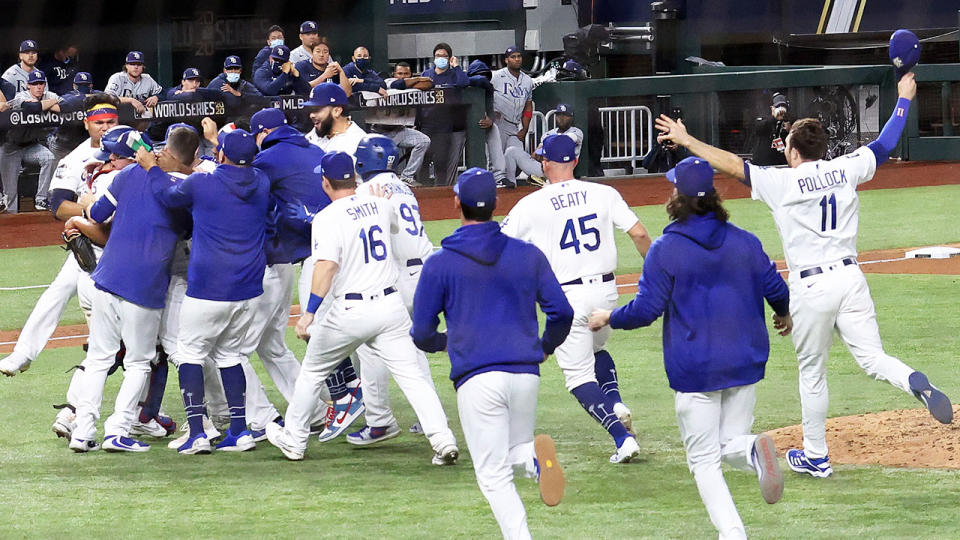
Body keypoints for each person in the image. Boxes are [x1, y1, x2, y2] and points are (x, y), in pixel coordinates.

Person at [655, 71, 953, 479]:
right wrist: (903, 98)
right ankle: (912, 379)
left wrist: (687, 140)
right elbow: (885, 144)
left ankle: (817, 455)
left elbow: (731, 165)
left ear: (793, 152)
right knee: (872, 358)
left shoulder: (782, 181)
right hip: (851, 279)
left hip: (811, 286)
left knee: (813, 373)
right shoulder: (847, 168)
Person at [587, 156, 789, 539]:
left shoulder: (666, 249)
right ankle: (750, 451)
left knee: (704, 461)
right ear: (713, 196)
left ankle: (733, 532)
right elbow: (777, 289)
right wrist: (784, 315)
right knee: (730, 443)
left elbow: (647, 310)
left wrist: (609, 317)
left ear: (677, 196)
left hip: (695, 369)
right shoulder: (745, 241)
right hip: (745, 361)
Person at [265, 151, 459, 464]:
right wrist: (377, 205)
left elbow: (326, 267)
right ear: (354, 178)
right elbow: (394, 228)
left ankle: (295, 440)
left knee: (313, 372)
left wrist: (310, 313)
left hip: (351, 312)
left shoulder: (327, 217)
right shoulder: (381, 204)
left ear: (325, 182)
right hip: (389, 307)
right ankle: (443, 440)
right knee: (413, 376)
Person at [411, 167, 573, 539]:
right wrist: (544, 347)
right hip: (525, 373)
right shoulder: (527, 254)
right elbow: (562, 312)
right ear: (497, 204)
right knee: (515, 449)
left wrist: (446, 342)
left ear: (456, 203)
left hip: (477, 378)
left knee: (493, 475)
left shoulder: (440, 262)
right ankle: (534, 459)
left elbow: (421, 332)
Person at [501, 134, 652, 463]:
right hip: (607, 292)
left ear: (544, 163)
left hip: (567, 296)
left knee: (578, 376)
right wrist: (657, 274)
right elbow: (639, 234)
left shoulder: (531, 203)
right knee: (597, 348)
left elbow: (498, 245)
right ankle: (615, 402)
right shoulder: (604, 193)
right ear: (573, 161)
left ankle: (621, 438)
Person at [150, 129, 270, 455]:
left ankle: (197, 435)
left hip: (208, 288)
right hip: (248, 289)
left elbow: (167, 195)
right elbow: (235, 172)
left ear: (221, 155)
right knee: (231, 356)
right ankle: (240, 432)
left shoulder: (204, 184)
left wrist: (150, 167)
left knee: (190, 354)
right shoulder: (261, 181)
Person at [64, 127, 183, 453]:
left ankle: (83, 432)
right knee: (139, 363)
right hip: (144, 286)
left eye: (114, 156)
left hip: (107, 278)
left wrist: (87, 197)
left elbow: (98, 214)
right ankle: (117, 430)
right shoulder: (177, 188)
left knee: (100, 360)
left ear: (133, 156)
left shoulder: (125, 177)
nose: (110, 161)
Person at [249, 107, 361, 438]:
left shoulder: (268, 159)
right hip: (347, 250)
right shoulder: (313, 148)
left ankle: (344, 395)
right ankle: (351, 405)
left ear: (263, 133)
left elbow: (244, 191)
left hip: (319, 254)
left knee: (320, 332)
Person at [0, 96, 120, 378]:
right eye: (99, 123)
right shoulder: (75, 158)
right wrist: (94, 211)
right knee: (59, 291)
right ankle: (24, 352)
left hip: (130, 243)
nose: (105, 128)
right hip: (94, 240)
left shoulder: (133, 146)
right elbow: (59, 207)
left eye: (111, 122)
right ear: (86, 123)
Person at [346, 134, 436, 444]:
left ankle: (379, 421)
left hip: (397, 276)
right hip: (424, 272)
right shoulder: (403, 187)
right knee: (413, 348)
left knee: (371, 345)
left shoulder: (367, 191)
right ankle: (429, 417)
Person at [0, 69, 61, 212]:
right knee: (11, 196)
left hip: (31, 147)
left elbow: (65, 105)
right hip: (11, 148)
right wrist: (49, 104)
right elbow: (31, 107)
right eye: (35, 84)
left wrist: (50, 101)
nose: (39, 87)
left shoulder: (49, 95)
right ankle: (12, 226)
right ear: (28, 85)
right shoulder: (21, 96)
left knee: (49, 158)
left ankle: (41, 199)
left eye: (41, 83)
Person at [371, 61, 432, 186]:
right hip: (380, 133)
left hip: (400, 130)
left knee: (423, 141)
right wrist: (418, 79)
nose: (403, 76)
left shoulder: (411, 86)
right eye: (399, 73)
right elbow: (398, 84)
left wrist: (414, 82)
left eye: (406, 74)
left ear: (410, 75)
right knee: (381, 169)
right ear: (394, 74)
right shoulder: (387, 83)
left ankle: (407, 176)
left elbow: (430, 84)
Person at [418, 42, 469, 186]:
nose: (441, 58)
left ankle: (440, 191)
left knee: (441, 161)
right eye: (438, 55)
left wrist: (456, 66)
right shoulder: (427, 74)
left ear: (450, 58)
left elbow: (464, 83)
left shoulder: (454, 75)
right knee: (424, 160)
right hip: (426, 125)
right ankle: (424, 189)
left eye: (444, 56)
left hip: (444, 126)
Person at [503, 103, 584, 188]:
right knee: (511, 151)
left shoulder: (577, 132)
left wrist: (546, 147)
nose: (562, 118)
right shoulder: (548, 133)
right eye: (559, 115)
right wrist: (540, 153)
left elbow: (564, 141)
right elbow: (536, 154)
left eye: (565, 115)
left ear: (571, 118)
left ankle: (548, 182)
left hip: (563, 171)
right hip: (543, 168)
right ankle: (511, 185)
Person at [465, 60, 508, 188]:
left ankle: (499, 176)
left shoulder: (488, 90)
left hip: (480, 124)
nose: (483, 78)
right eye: (479, 74)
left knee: (493, 128)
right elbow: (480, 81)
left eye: (485, 75)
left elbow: (491, 110)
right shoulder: (465, 85)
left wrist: (490, 119)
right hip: (459, 127)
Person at [46, 72, 98, 163]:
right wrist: (84, 98)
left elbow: (112, 97)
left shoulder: (97, 94)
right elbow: (55, 107)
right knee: (58, 173)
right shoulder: (69, 96)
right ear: (74, 86)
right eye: (80, 85)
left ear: (91, 85)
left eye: (86, 85)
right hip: (62, 144)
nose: (83, 88)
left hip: (82, 144)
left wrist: (130, 99)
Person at [491, 47, 533, 155]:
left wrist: (525, 128)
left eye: (519, 56)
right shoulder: (496, 76)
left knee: (516, 158)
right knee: (496, 159)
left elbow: (528, 106)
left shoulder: (527, 80)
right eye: (513, 57)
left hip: (516, 125)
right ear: (506, 60)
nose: (517, 59)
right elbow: (484, 94)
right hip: (500, 123)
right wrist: (489, 113)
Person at [304, 83, 367, 153]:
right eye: (311, 110)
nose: (311, 115)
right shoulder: (319, 130)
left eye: (317, 109)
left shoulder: (358, 143)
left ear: (337, 111)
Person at [104, 51, 163, 116]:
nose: (136, 67)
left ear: (143, 67)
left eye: (139, 64)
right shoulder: (118, 78)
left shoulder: (147, 79)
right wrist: (131, 100)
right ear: (126, 66)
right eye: (132, 64)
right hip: (119, 117)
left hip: (140, 119)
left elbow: (163, 92)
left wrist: (156, 97)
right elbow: (108, 97)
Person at [750, 92, 791, 167]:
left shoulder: (789, 121)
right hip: (763, 163)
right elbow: (757, 128)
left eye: (783, 107)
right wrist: (774, 118)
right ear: (772, 108)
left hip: (781, 163)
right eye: (778, 107)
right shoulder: (764, 119)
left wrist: (786, 122)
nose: (781, 110)